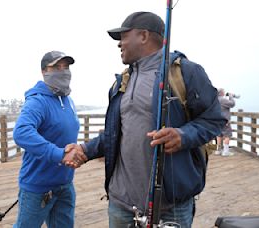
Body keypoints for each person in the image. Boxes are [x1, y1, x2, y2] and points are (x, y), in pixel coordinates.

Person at [67, 11, 226, 228]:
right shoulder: (121, 81)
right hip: (120, 204)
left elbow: (214, 120)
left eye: (123, 36)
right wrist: (85, 149)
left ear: (143, 36)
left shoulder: (187, 72)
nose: (119, 44)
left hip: (171, 205)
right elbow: (117, 134)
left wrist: (183, 136)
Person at [12, 50, 86, 228]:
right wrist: (59, 153)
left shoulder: (69, 101)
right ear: (44, 71)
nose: (63, 71)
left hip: (65, 183)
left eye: (66, 67)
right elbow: (21, 132)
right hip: (39, 186)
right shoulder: (38, 101)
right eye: (57, 67)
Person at [215, 88, 236, 156]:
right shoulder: (223, 99)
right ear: (221, 93)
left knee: (219, 134)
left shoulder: (215, 100)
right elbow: (232, 104)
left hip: (217, 120)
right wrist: (231, 96)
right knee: (227, 135)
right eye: (223, 92)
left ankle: (218, 150)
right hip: (225, 121)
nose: (224, 93)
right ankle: (226, 151)